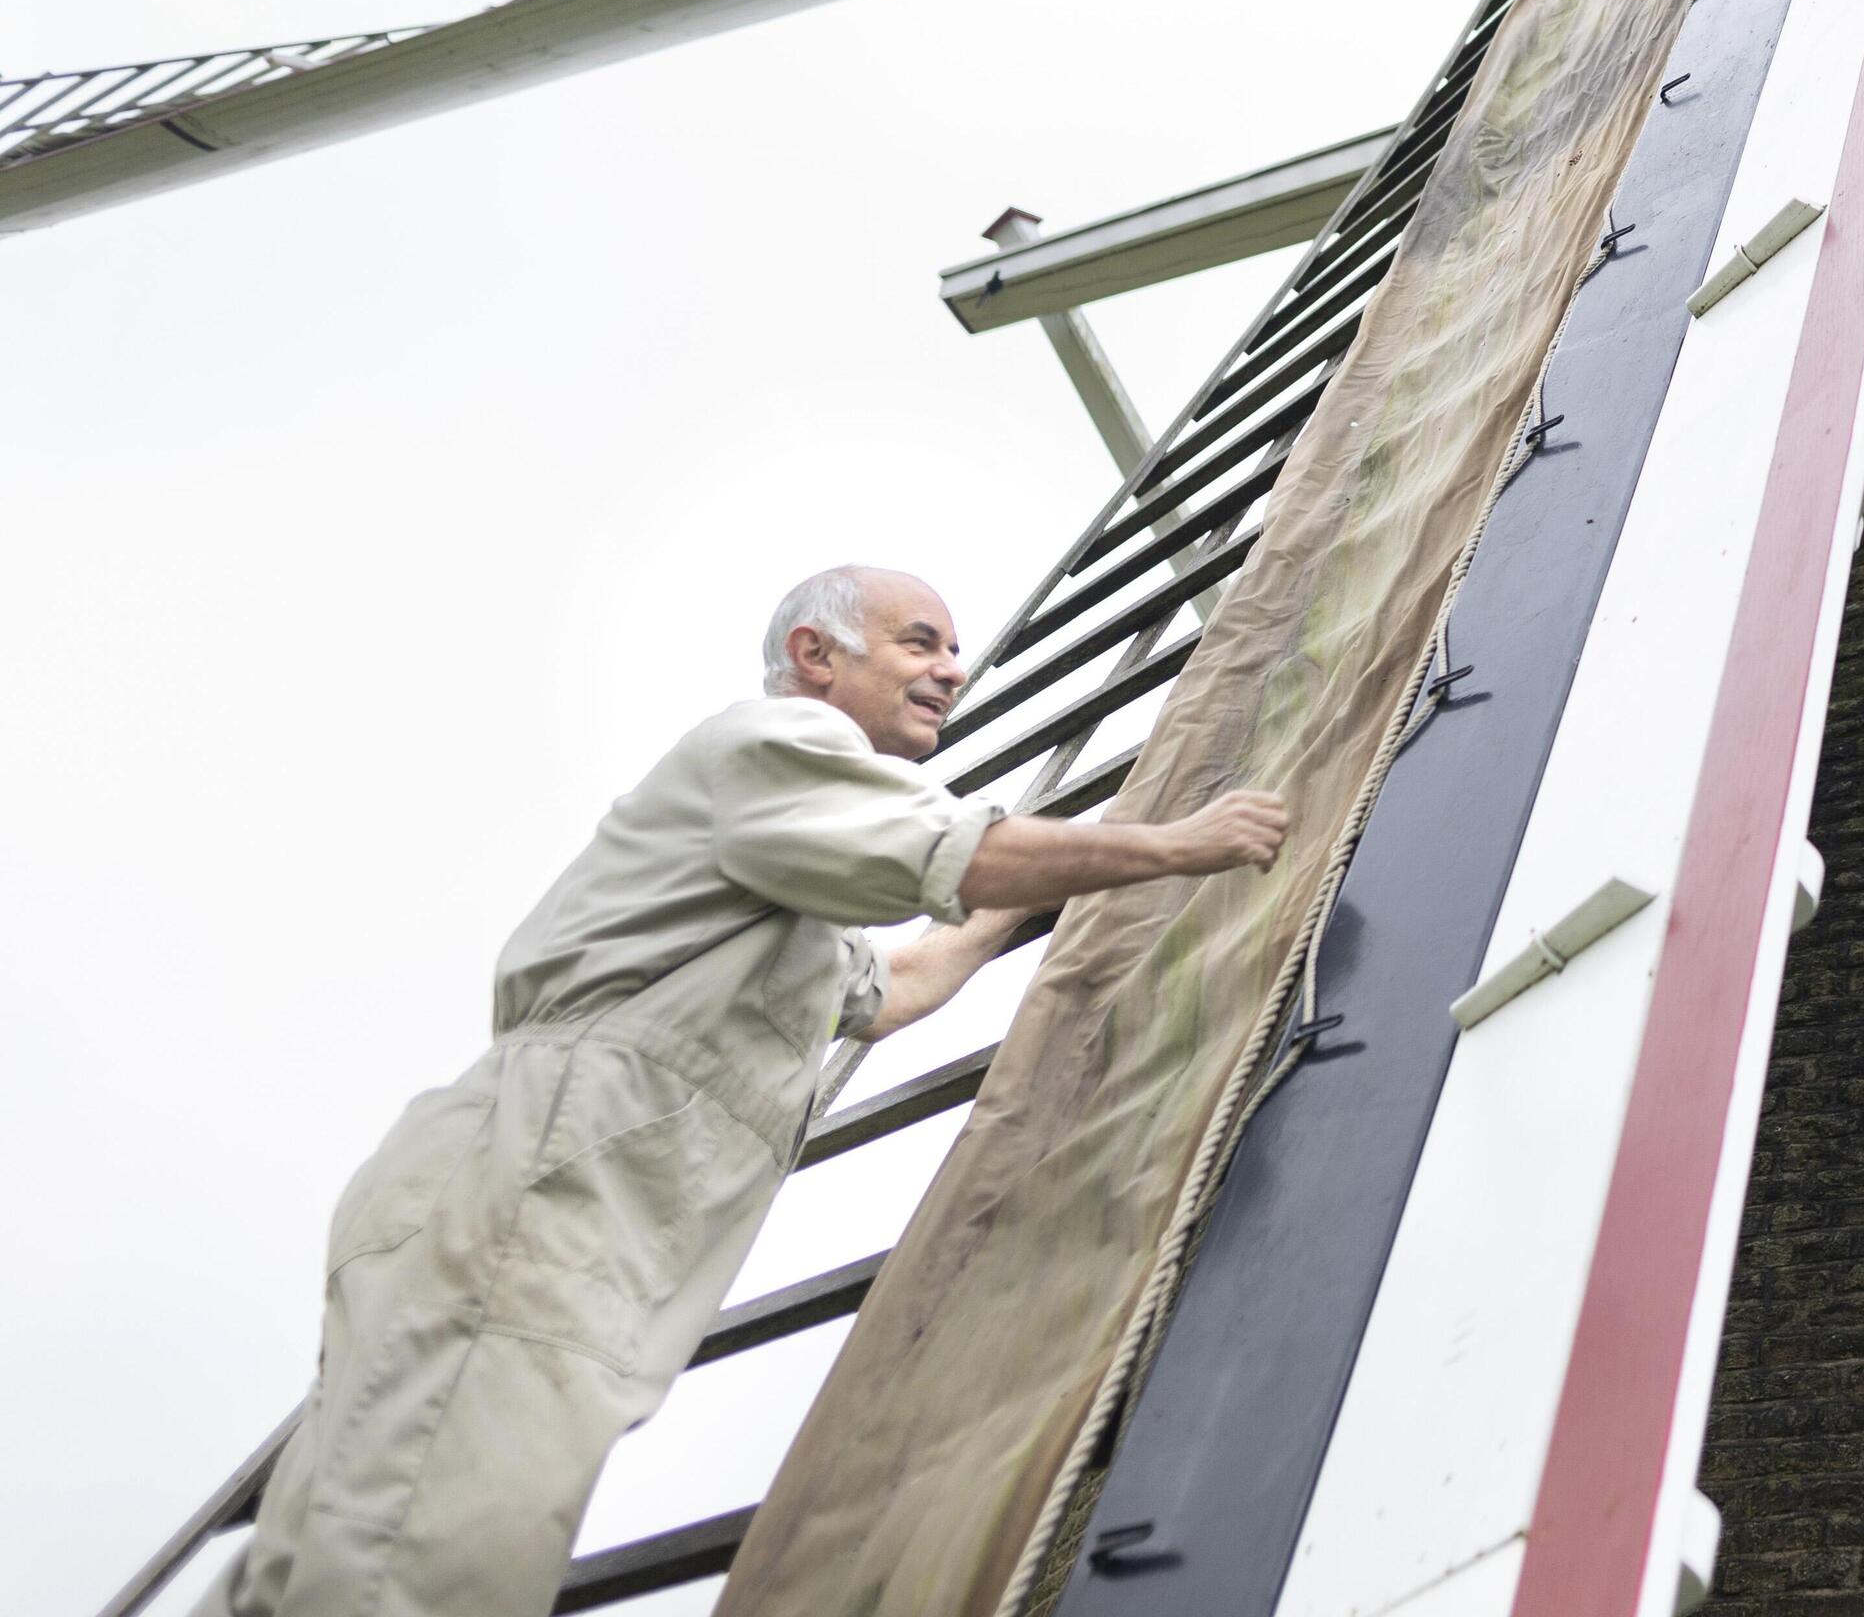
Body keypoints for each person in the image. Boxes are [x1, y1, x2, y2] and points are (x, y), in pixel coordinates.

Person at [202, 566, 1292, 1617]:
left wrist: (1057, 881)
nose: (953, 670)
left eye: (956, 649)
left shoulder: (780, 889)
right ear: (817, 655)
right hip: (548, 1180)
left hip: (534, 1186)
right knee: (435, 1549)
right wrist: (1174, 842)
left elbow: (902, 981)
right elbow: (958, 859)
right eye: (922, 641)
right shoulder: (780, 741)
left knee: (338, 1542)